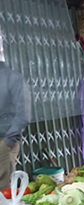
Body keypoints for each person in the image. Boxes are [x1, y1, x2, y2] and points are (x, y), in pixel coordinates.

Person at [0, 32, 32, 189]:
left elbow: (23, 114)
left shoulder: (13, 78)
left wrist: (7, 142)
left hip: (4, 141)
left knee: (2, 189)